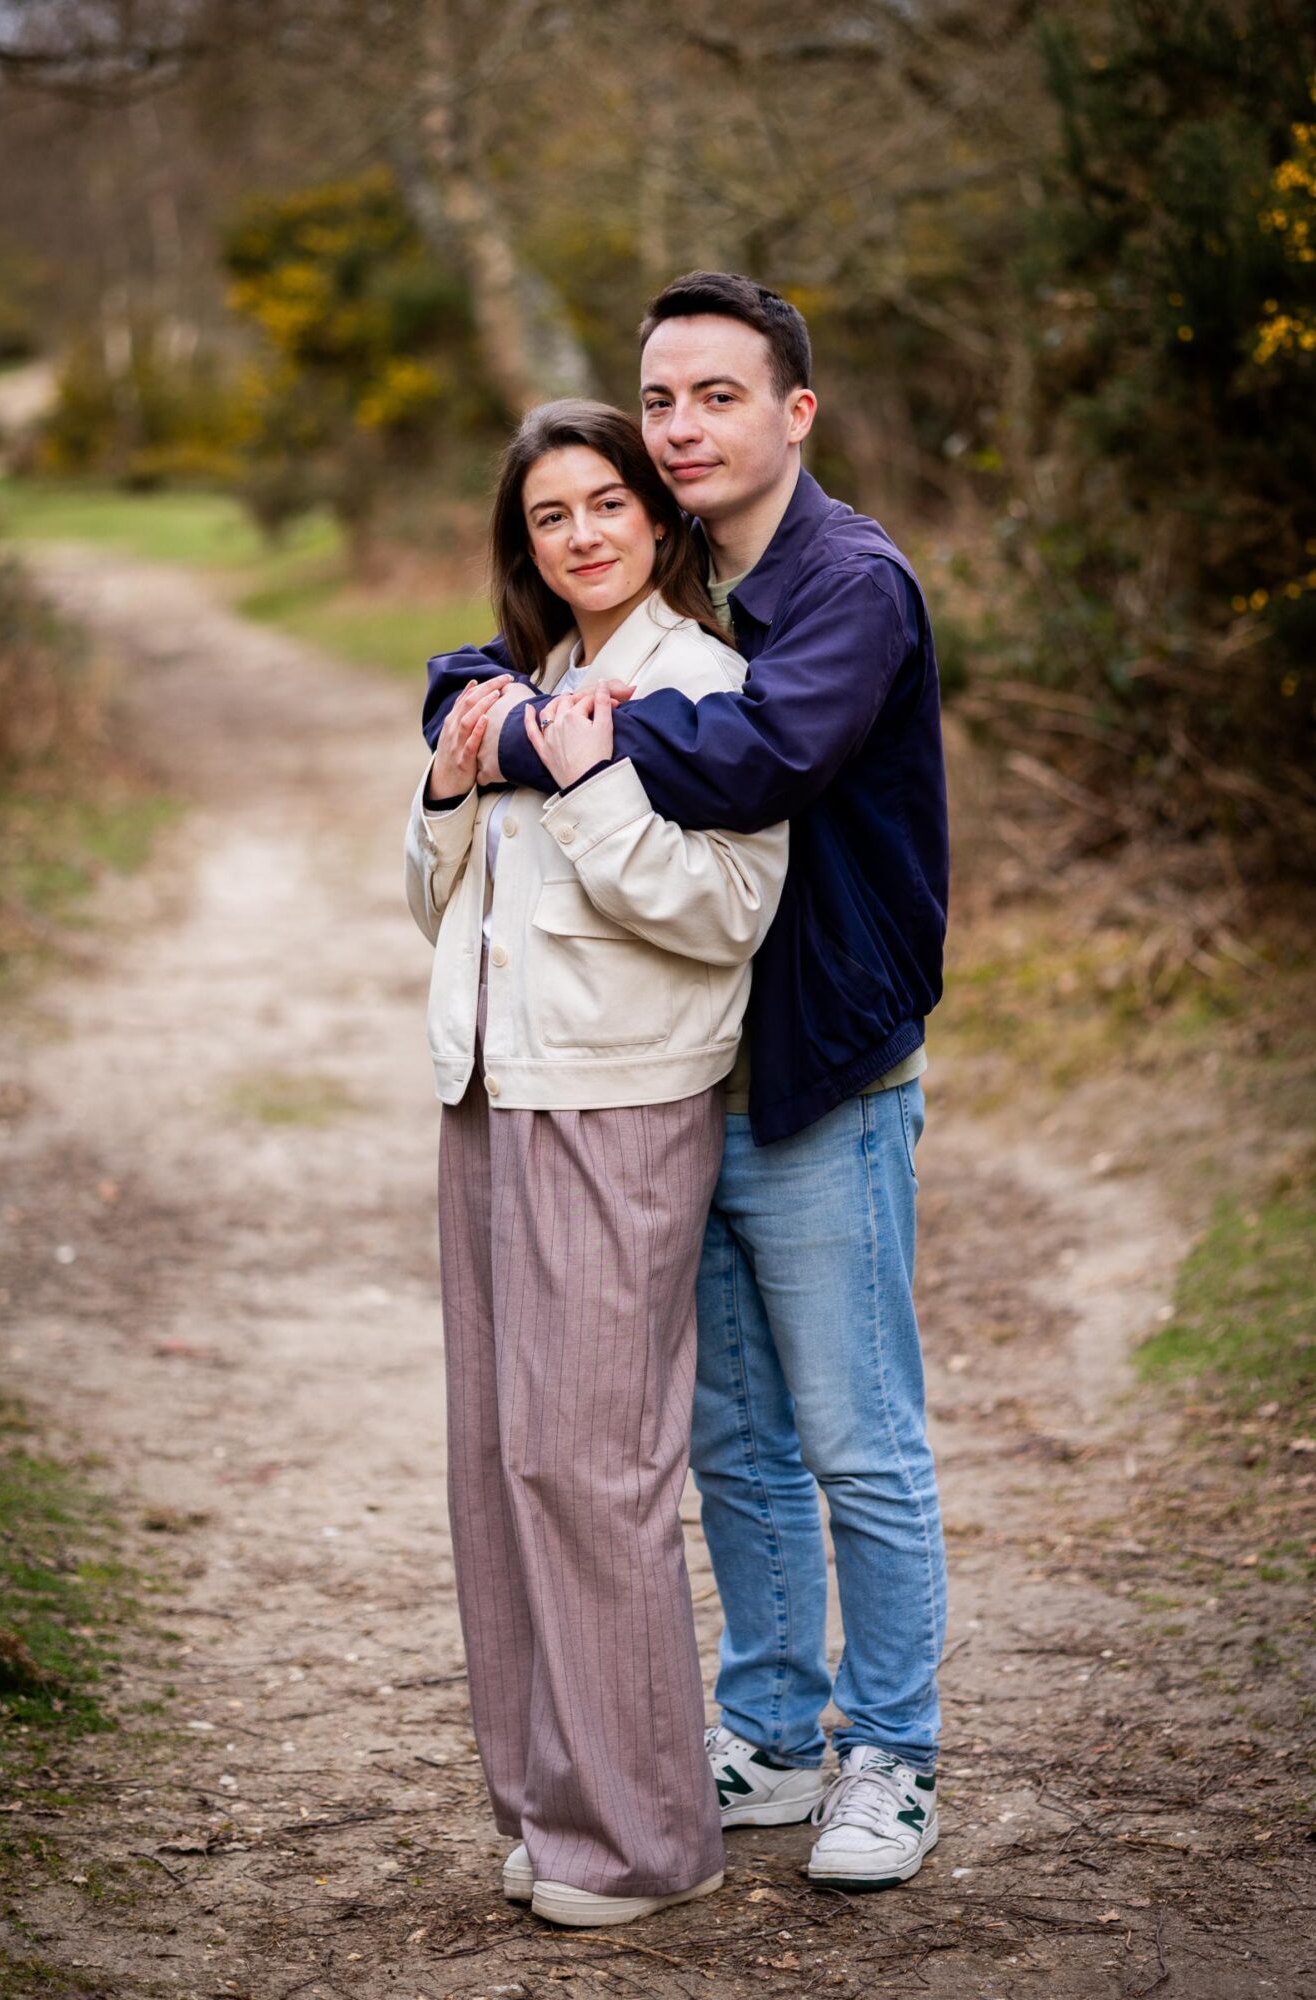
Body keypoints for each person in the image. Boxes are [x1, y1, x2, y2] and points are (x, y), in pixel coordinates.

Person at [422, 273, 949, 1893]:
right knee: (729, 1441)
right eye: (661, 400)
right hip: (682, 1083)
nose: (681, 427)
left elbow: (755, 761)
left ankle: (891, 1754)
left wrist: (536, 739)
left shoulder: (845, 583)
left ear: (794, 411)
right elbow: (507, 664)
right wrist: (481, 709)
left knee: (854, 1434)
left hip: (820, 1065)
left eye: (716, 396)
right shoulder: (699, 573)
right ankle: (771, 1735)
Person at [404, 398, 788, 1928]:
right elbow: (443, 908)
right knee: (498, 1464)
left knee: (590, 1467)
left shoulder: (705, 687)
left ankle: (642, 1841)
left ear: (658, 514)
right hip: (488, 1095)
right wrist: (448, 794)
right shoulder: (529, 682)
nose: (581, 536)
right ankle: (548, 1807)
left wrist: (589, 782)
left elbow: (723, 914)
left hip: (618, 1105)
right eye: (549, 516)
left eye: (606, 503)